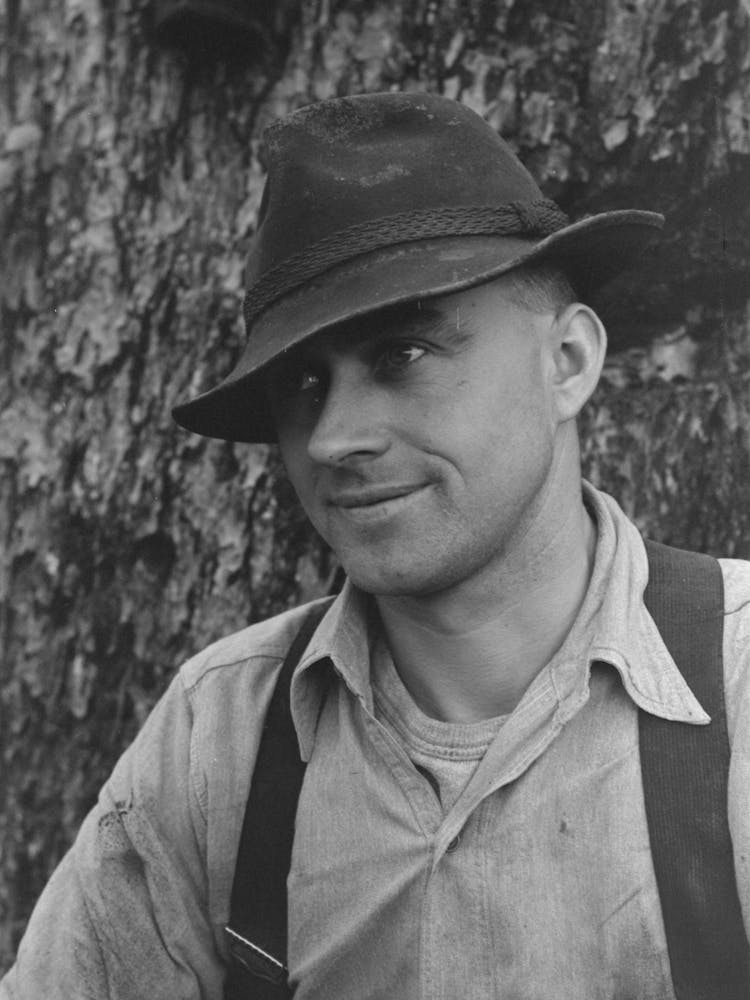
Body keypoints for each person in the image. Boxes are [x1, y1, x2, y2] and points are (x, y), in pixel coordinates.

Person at [2, 92, 749, 1000]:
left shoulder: (739, 683)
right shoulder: (222, 737)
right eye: (305, 384)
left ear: (568, 362)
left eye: (402, 355)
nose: (331, 439)